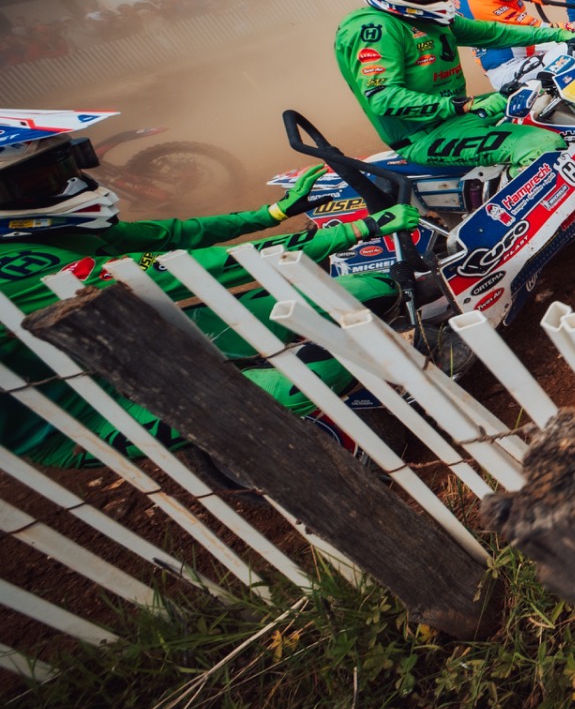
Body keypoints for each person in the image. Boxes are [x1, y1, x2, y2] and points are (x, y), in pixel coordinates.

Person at [0, 119, 420, 466]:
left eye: (67, 168)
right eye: (39, 180)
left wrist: (272, 213)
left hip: (150, 336)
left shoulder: (57, 232)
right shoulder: (16, 269)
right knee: (314, 379)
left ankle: (273, 367)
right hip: (90, 408)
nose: (70, 184)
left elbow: (174, 234)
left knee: (368, 289)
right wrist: (359, 229)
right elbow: (191, 269)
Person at [339, 0, 575, 172]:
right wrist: (462, 105)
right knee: (542, 146)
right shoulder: (373, 29)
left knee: (551, 98)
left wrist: (560, 34)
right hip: (425, 134)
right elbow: (383, 97)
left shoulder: (428, 18)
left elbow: (495, 32)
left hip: (457, 113)